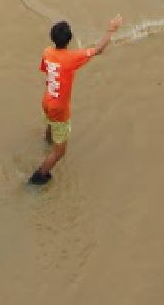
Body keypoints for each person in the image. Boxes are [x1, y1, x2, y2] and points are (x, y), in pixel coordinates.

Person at [29, 14, 123, 185]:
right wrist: (111, 29)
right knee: (60, 152)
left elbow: (46, 71)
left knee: (50, 123)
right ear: (69, 39)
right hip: (60, 111)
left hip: (47, 101)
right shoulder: (71, 58)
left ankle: (47, 139)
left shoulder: (47, 52)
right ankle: (39, 176)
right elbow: (98, 49)